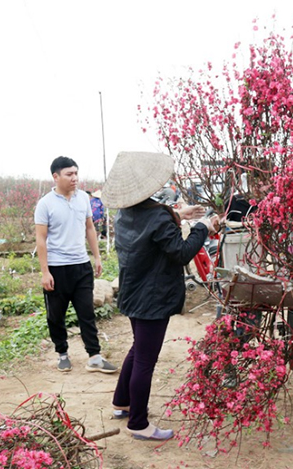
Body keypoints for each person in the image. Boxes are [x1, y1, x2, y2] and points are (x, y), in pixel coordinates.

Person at [103, 151, 220, 441]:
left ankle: (122, 402)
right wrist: (202, 227)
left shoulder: (125, 212)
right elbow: (180, 252)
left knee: (137, 350)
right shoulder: (156, 216)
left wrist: (178, 214)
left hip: (134, 292)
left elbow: (150, 226)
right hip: (153, 298)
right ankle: (138, 424)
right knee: (145, 359)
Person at [34, 156, 117, 374]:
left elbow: (89, 228)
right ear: (56, 176)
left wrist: (97, 257)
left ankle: (95, 356)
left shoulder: (83, 199)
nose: (74, 178)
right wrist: (45, 272)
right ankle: (62, 353)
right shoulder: (45, 204)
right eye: (69, 174)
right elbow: (40, 239)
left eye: (76, 173)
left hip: (81, 265)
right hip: (57, 268)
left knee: (86, 312)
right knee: (56, 316)